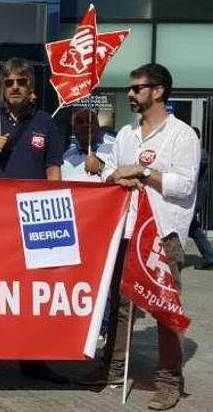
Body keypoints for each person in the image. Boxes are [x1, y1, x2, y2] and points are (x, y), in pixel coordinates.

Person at [78, 63, 200, 411]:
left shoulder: (181, 135)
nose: (130, 94)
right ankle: (113, 368)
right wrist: (117, 176)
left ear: (158, 90)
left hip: (163, 235)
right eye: (130, 89)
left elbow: (184, 185)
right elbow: (112, 177)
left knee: (164, 308)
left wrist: (144, 172)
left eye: (136, 88)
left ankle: (169, 381)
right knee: (120, 307)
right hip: (127, 231)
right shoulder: (127, 135)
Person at [0, 58, 67, 385]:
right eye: (9, 83)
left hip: (33, 224)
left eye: (22, 81)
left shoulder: (46, 123)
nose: (16, 87)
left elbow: (53, 171)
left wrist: (57, 210)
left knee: (32, 293)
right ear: (1, 88)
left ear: (31, 88)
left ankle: (32, 360)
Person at [61, 108, 115, 182]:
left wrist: (100, 167)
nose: (85, 125)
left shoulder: (112, 151)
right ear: (74, 130)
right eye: (80, 121)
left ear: (97, 126)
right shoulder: (66, 157)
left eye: (90, 120)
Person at [188, 127, 213, 269]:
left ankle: (209, 257)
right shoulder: (195, 153)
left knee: (191, 229)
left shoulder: (199, 154)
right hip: (191, 199)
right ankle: (209, 256)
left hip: (194, 200)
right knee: (193, 229)